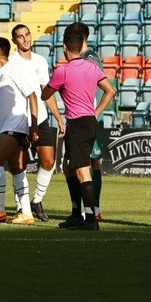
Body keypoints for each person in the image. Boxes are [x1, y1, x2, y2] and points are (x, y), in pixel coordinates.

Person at [42, 28, 115, 231]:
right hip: (89, 122)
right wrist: (96, 111)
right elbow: (111, 90)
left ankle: (90, 219)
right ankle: (76, 214)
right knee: (68, 167)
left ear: (65, 48)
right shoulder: (91, 67)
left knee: (83, 171)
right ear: (81, 47)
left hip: (77, 124)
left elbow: (45, 94)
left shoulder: (62, 71)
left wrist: (49, 88)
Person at [0, 37, 39, 225]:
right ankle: (26, 213)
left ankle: (0, 210)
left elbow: (32, 97)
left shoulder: (15, 70)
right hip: (8, 127)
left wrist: (33, 126)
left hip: (17, 125)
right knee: (18, 169)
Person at [10, 24, 65, 221]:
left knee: (49, 161)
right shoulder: (11, 62)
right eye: (20, 36)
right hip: (19, 119)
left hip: (40, 117)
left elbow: (46, 92)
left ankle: (36, 200)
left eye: (27, 34)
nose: (25, 39)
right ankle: (20, 206)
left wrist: (59, 118)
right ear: (14, 40)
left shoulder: (40, 60)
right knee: (19, 164)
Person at [65, 22, 106, 221]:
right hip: (85, 118)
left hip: (87, 118)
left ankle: (93, 210)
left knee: (90, 164)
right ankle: (87, 210)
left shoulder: (90, 59)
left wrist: (95, 112)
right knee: (85, 163)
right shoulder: (86, 59)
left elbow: (101, 87)